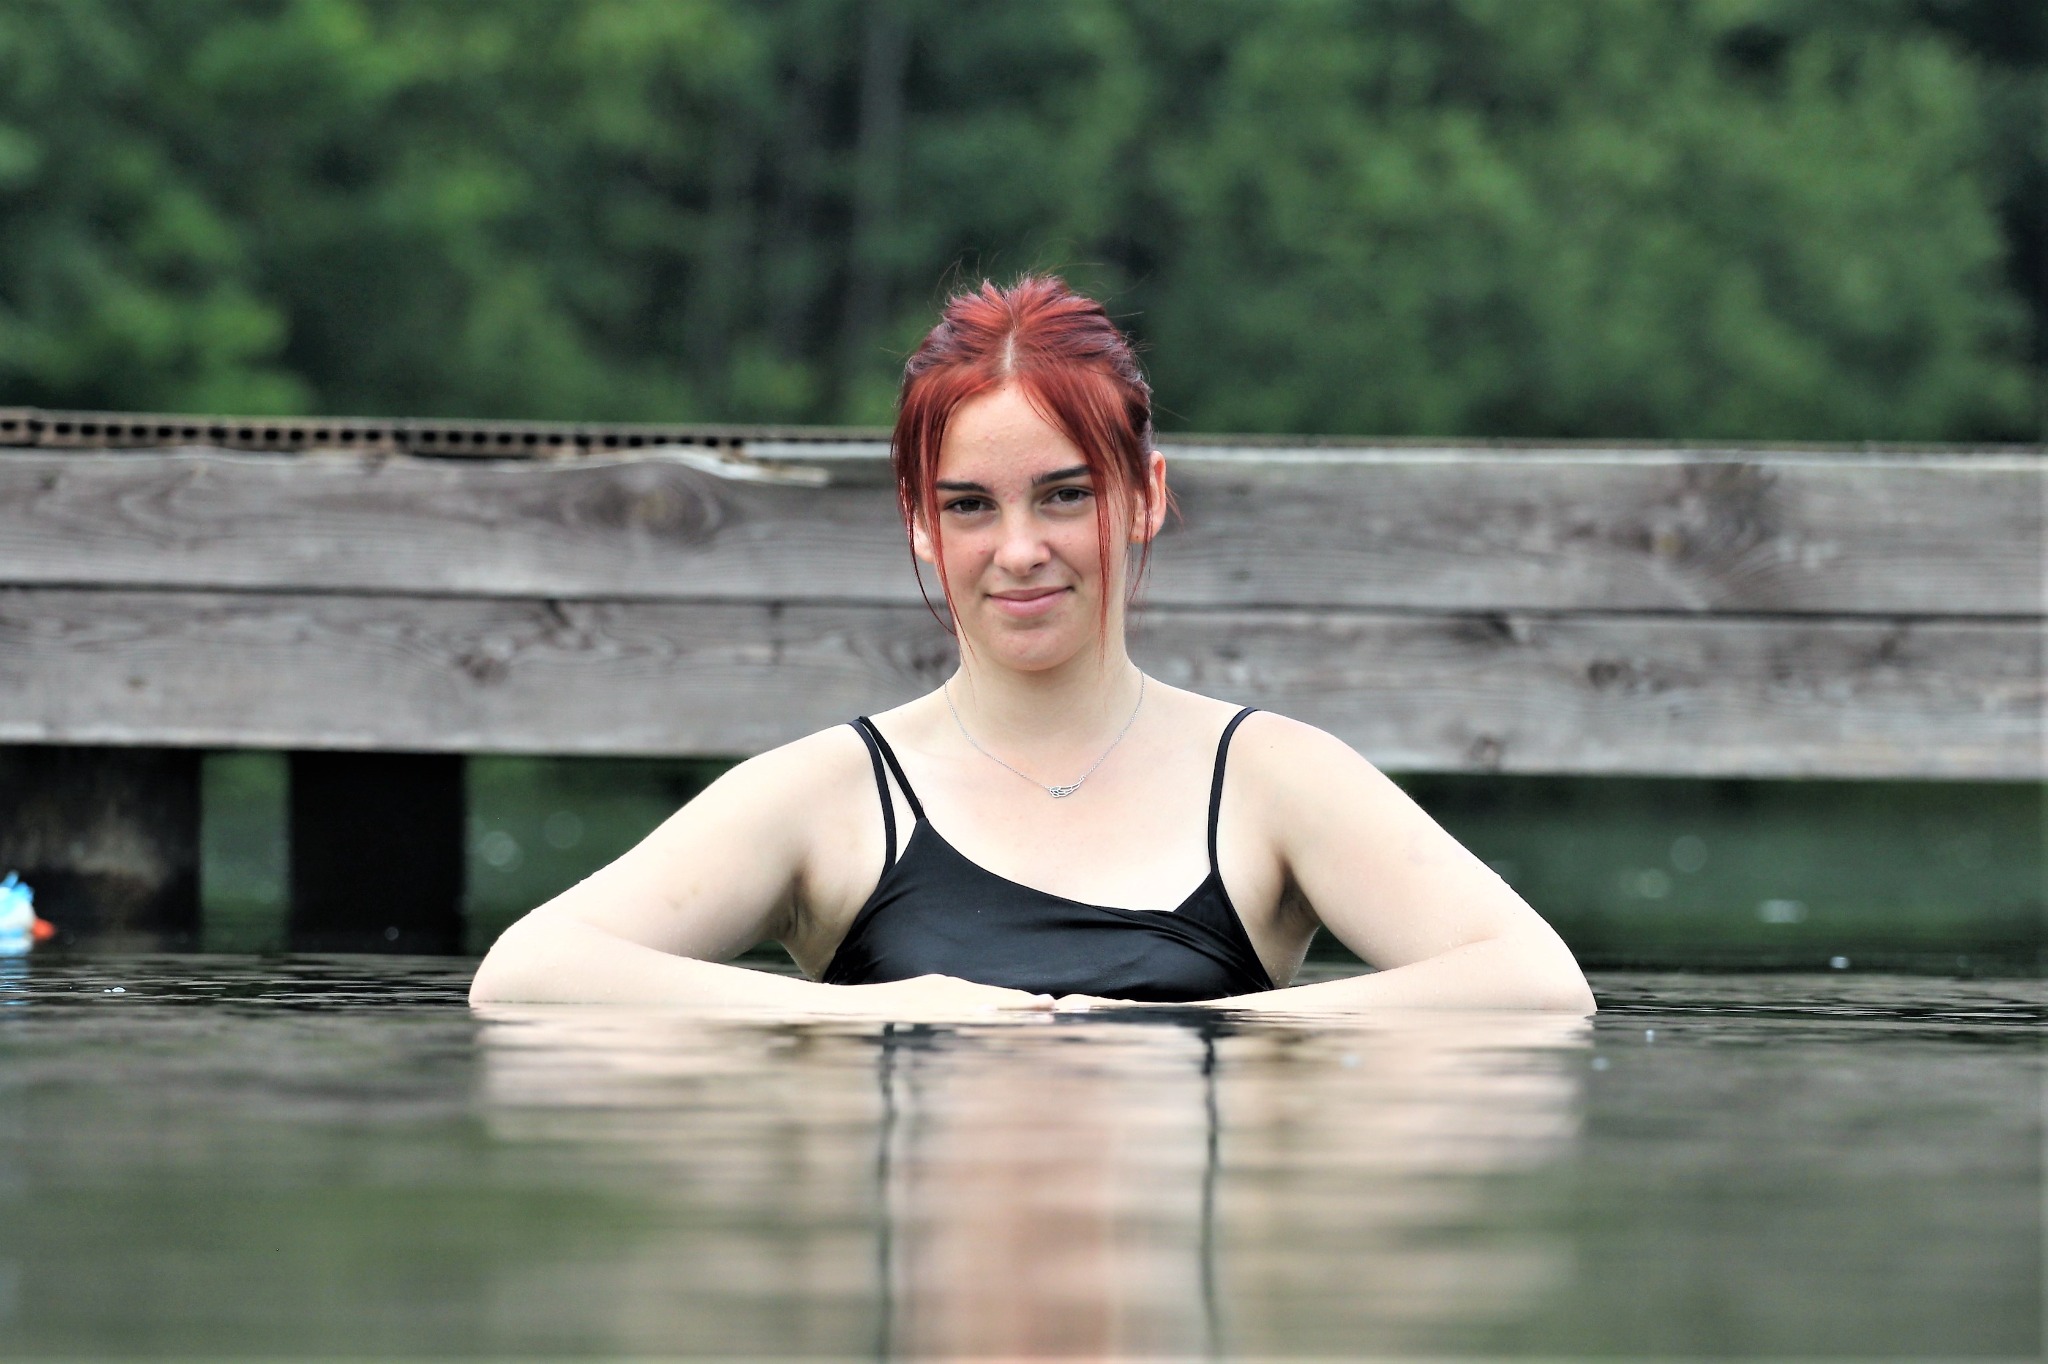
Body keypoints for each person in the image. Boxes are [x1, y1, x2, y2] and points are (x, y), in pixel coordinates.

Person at [469, 276, 1594, 1017]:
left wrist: (1214, 1029)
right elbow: (526, 975)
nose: (1019, 550)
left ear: (1144, 495)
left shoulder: (1270, 778)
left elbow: (1537, 984)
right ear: (918, 521)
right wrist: (873, 1014)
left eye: (1064, 495)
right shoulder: (831, 795)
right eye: (969, 505)